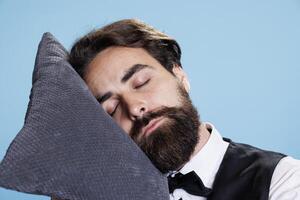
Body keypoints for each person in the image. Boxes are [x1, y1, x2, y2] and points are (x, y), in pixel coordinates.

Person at [66, 19, 300, 200]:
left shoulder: (284, 179)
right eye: (112, 108)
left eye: (141, 82)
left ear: (179, 76)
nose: (135, 107)